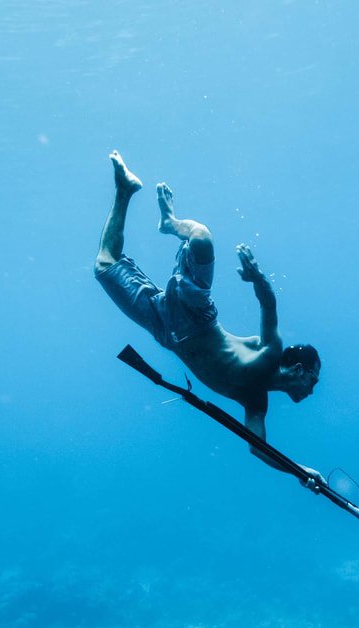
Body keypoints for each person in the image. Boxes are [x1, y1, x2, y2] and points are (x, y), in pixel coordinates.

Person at [95, 151, 325, 489]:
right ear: (301, 370)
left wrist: (300, 472)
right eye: (314, 380)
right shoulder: (269, 351)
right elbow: (269, 305)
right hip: (196, 316)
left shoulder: (255, 401)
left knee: (104, 265)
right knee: (201, 237)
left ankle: (124, 190)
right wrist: (256, 276)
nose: (313, 389)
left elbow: (258, 448)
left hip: (166, 331)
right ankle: (170, 223)